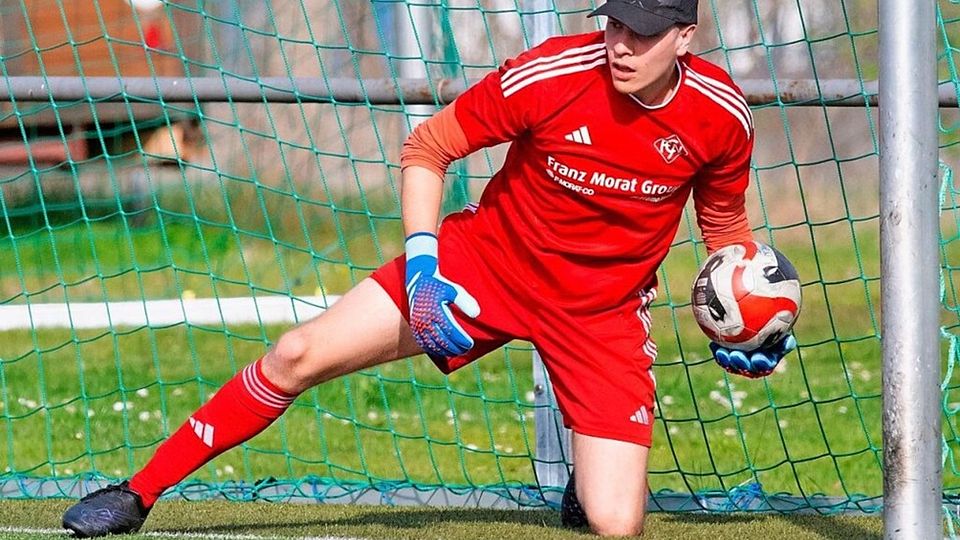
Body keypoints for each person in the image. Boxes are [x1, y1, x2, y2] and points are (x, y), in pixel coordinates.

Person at [62, 0, 796, 536]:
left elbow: (725, 224)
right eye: (614, 24)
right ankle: (139, 492)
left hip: (601, 312)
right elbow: (428, 147)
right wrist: (423, 269)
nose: (622, 45)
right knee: (297, 352)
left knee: (615, 523)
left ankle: (586, 470)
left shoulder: (722, 115)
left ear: (686, 37)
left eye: (644, 31)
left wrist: (742, 319)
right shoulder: (549, 74)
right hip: (483, 267)